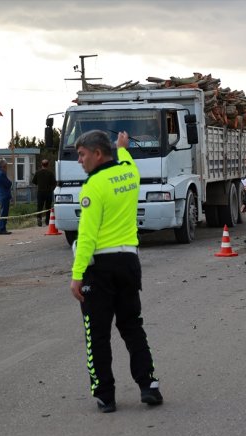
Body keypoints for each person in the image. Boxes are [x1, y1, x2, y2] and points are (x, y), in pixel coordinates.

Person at [70, 129, 162, 413]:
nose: (80, 161)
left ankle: (105, 395)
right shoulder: (129, 174)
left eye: (82, 155)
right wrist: (123, 147)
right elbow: (128, 162)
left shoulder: (93, 186)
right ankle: (149, 385)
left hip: (100, 268)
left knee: (96, 333)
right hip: (129, 262)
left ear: (98, 154)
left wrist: (77, 274)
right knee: (132, 325)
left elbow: (86, 235)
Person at [32, 158, 56, 226]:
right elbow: (54, 183)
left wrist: (39, 184)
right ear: (47, 165)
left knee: (39, 207)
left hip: (40, 192)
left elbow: (34, 181)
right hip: (48, 192)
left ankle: (39, 219)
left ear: (41, 165)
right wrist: (51, 188)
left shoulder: (38, 172)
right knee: (48, 207)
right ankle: (47, 221)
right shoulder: (50, 173)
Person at [0, 159, 13, 235]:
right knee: (4, 213)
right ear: (3, 166)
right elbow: (8, 184)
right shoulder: (2, 174)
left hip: (1, 195)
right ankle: (2, 228)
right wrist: (10, 182)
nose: (6, 168)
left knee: (3, 212)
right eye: (6, 167)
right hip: (4, 195)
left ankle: (2, 228)